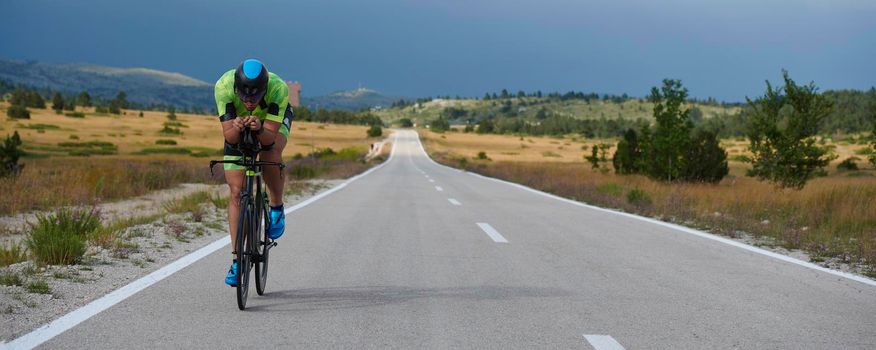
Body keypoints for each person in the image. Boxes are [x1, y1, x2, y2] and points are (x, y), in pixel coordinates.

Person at [214, 59, 293, 286]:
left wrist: (259, 127)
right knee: (237, 193)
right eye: (244, 96)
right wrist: (236, 127)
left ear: (264, 90)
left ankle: (276, 205)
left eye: (255, 97)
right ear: (236, 89)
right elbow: (229, 137)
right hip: (237, 126)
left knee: (271, 151)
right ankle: (238, 260)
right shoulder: (223, 86)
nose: (249, 101)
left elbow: (268, 138)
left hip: (269, 123)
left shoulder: (278, 89)